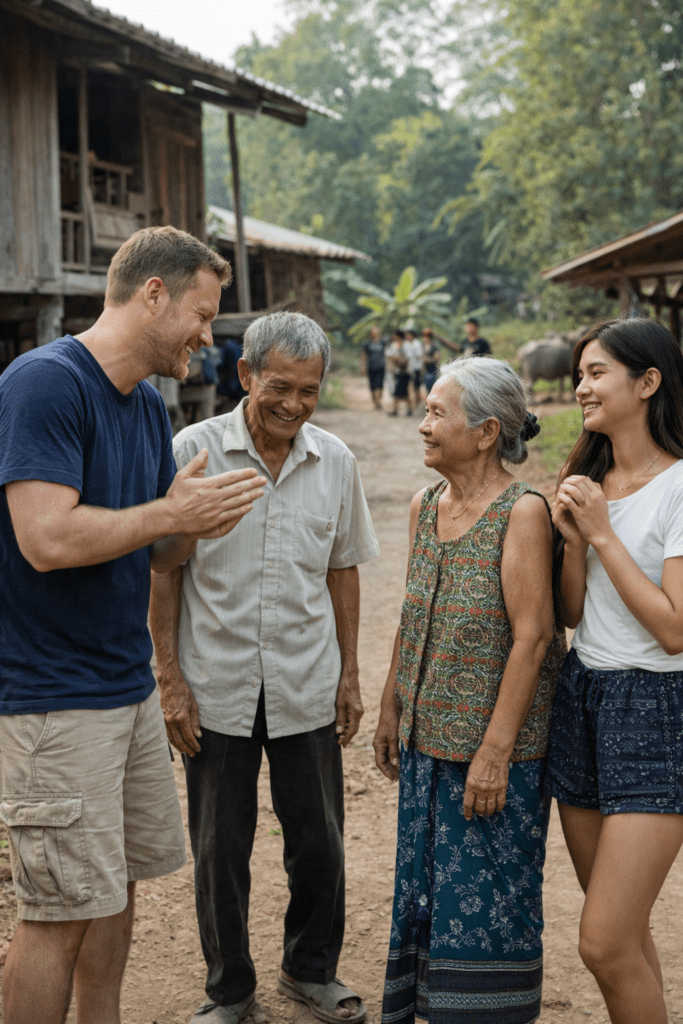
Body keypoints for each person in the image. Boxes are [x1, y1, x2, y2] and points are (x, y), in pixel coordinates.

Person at [0, 226, 267, 1024]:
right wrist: (168, 511)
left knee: (115, 887)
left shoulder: (146, 406)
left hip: (123, 687)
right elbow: (46, 540)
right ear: (153, 293)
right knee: (55, 913)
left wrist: (193, 523)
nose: (206, 336)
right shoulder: (45, 383)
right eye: (202, 313)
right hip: (53, 698)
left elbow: (157, 550)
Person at [149, 311, 380, 1024]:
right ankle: (229, 989)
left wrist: (348, 674)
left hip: (305, 681)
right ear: (245, 375)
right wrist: (170, 680)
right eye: (280, 386)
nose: (294, 404)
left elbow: (343, 570)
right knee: (221, 847)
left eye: (309, 391)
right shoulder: (193, 449)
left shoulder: (333, 460)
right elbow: (165, 575)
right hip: (214, 684)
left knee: (319, 841)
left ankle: (310, 969)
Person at [373, 357, 565, 1024]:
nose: (423, 425)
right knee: (425, 896)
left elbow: (534, 636)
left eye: (435, 413)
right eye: (424, 410)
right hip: (429, 748)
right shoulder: (424, 505)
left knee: (490, 907)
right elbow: (411, 607)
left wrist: (494, 751)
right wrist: (390, 705)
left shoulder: (522, 513)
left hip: (491, 756)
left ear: (485, 432)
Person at [546, 318, 683, 1024]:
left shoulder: (679, 487)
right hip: (583, 696)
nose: (580, 388)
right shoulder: (589, 479)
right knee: (622, 939)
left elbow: (671, 629)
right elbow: (570, 613)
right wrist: (575, 545)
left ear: (647, 382)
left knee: (600, 944)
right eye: (579, 375)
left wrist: (600, 532)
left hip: (656, 709)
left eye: (596, 373)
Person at [387, 329, 412, 416]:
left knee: (401, 392)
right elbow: (390, 357)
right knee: (401, 392)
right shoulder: (395, 345)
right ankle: (407, 410)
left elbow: (407, 359)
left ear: (398, 336)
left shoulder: (406, 345)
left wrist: (399, 360)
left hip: (404, 372)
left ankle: (397, 410)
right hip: (397, 371)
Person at [361, 324, 386, 409]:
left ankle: (378, 402)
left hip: (381, 367)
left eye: (376, 332)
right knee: (372, 386)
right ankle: (376, 403)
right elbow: (364, 356)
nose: (375, 334)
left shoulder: (382, 342)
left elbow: (386, 354)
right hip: (371, 367)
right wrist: (363, 367)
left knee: (379, 385)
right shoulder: (367, 343)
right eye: (373, 332)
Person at [404, 328, 423, 406]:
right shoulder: (406, 344)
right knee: (410, 386)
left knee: (416, 386)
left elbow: (419, 355)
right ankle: (413, 402)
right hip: (409, 368)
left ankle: (418, 401)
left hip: (417, 368)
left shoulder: (417, 344)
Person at [421, 327, 441, 393]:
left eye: (428, 336)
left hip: (433, 371)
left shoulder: (434, 346)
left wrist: (427, 359)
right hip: (425, 371)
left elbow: (437, 358)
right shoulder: (422, 345)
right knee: (427, 390)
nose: (426, 337)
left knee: (433, 390)